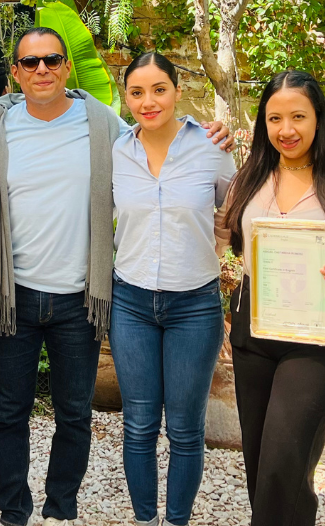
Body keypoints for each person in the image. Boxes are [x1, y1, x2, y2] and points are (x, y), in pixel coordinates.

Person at [0, 28, 232, 526]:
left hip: (81, 296)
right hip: (13, 295)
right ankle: (13, 512)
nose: (42, 70)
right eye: (29, 63)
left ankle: (60, 510)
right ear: (15, 73)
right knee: (9, 414)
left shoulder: (106, 127)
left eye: (52, 59)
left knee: (74, 415)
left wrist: (214, 134)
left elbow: (170, 149)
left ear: (67, 67)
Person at [220, 70, 325, 526]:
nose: (285, 130)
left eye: (297, 117)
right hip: (254, 329)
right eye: (274, 119)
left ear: (318, 119)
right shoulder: (246, 183)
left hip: (318, 338)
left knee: (282, 464)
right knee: (260, 466)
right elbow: (221, 237)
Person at [108, 52, 235, 526]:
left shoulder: (211, 146)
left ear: (177, 90)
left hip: (194, 306)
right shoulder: (117, 151)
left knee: (185, 429)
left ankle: (177, 519)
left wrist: (217, 246)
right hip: (132, 302)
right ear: (126, 97)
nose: (148, 101)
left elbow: (235, 210)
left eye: (159, 89)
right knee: (138, 424)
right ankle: (145, 519)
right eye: (137, 92)